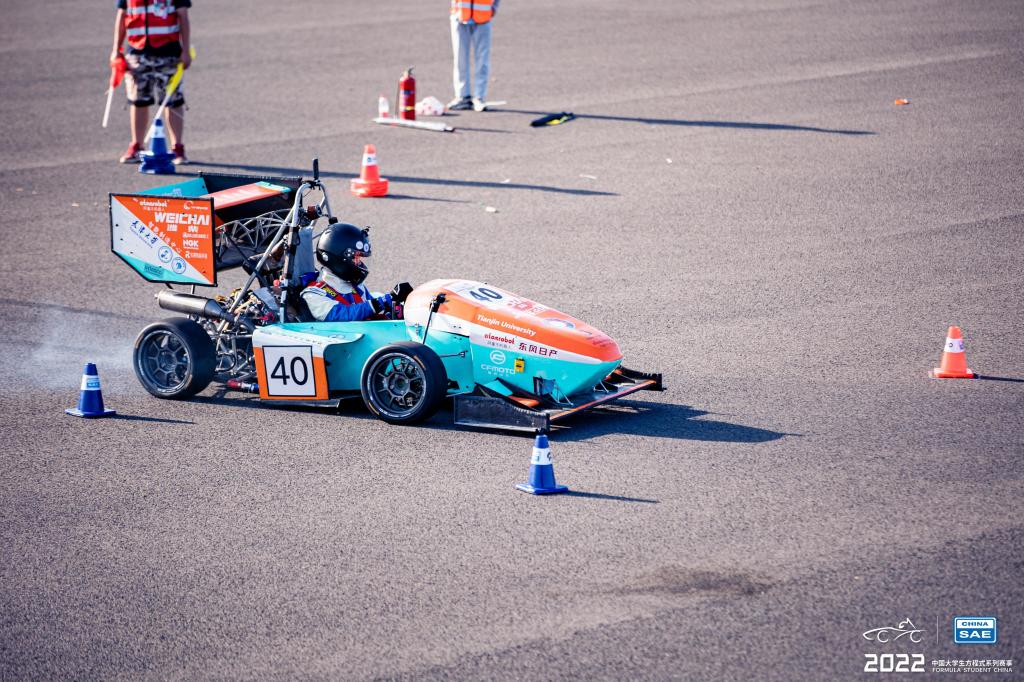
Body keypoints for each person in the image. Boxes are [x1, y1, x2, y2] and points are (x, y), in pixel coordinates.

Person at [111, 0, 192, 165]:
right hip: (137, 53)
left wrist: (185, 50)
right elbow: (122, 15)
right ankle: (136, 146)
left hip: (168, 53)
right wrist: (116, 50)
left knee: (173, 101)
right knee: (138, 101)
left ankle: (177, 148)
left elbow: (183, 16)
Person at [301, 223, 411, 322]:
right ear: (338, 258)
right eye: (355, 258)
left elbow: (371, 313)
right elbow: (344, 315)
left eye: (360, 258)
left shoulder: (355, 286)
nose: (359, 263)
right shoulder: (313, 294)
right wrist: (385, 300)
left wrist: (394, 310)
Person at [448, 0, 500, 112]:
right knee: (460, 60)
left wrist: (494, 8)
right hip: (460, 16)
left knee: (482, 61)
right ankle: (462, 96)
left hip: (482, 17)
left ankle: (479, 97)